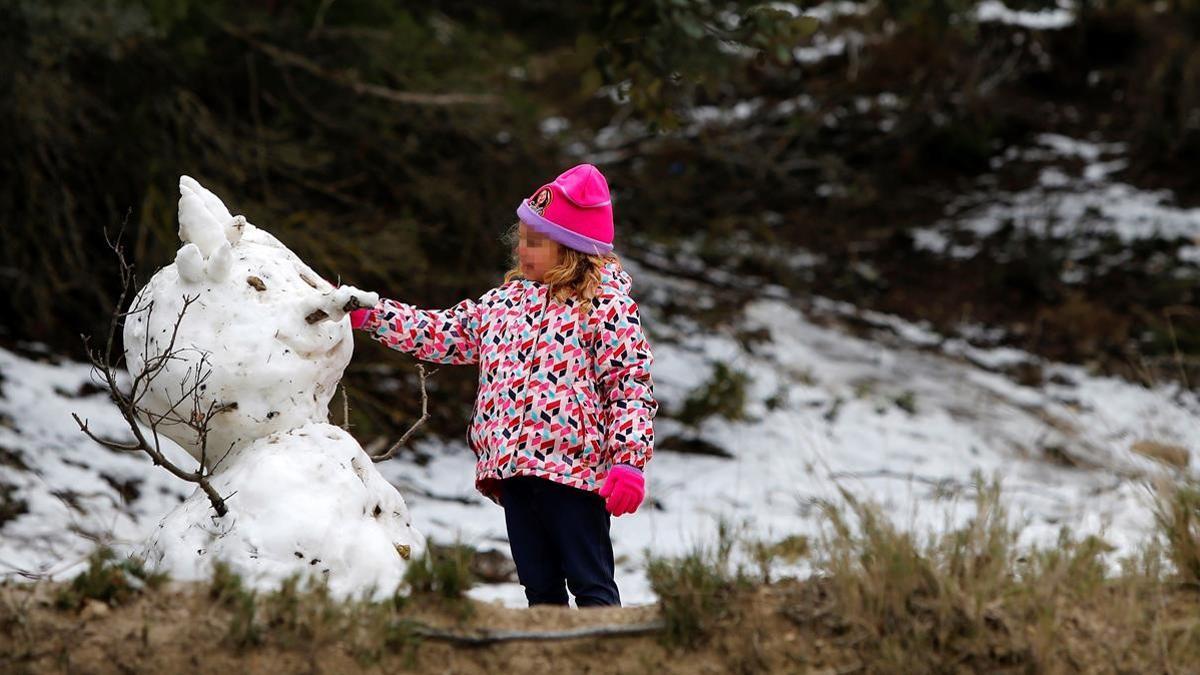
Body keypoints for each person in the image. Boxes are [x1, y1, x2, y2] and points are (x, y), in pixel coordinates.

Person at [348, 163, 657, 607]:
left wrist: (628, 462)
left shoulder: (606, 307)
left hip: (574, 475)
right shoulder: (503, 304)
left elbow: (629, 386)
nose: (521, 249)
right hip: (513, 471)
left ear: (572, 249)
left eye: (535, 241)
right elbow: (442, 332)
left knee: (590, 581)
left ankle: (602, 653)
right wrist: (373, 315)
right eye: (521, 237)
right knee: (538, 583)